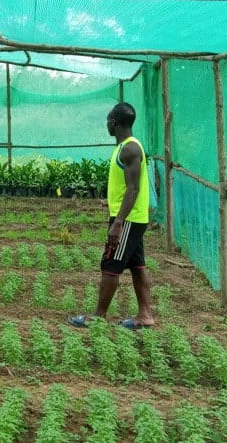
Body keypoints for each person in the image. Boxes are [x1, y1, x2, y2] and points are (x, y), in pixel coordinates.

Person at [68, 102, 154, 330]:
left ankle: (98, 315)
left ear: (114, 123)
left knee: (110, 263)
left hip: (127, 219)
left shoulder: (130, 149)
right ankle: (145, 314)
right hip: (131, 218)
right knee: (137, 265)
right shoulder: (125, 147)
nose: (107, 124)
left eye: (108, 120)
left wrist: (118, 223)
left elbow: (132, 189)